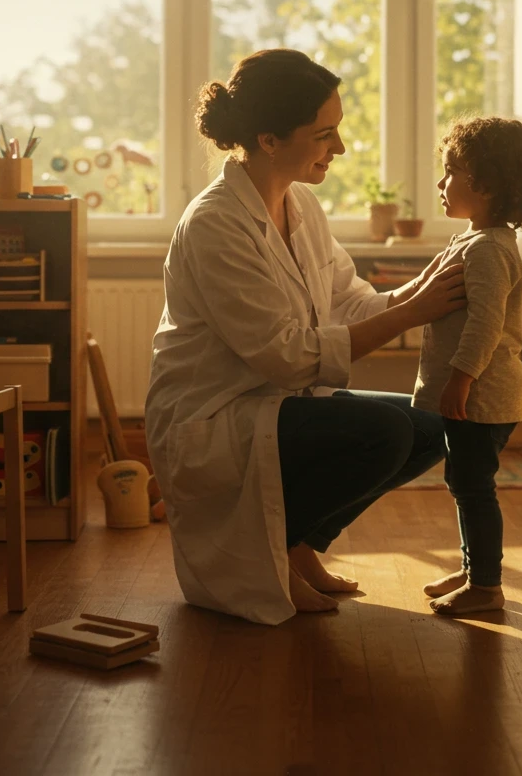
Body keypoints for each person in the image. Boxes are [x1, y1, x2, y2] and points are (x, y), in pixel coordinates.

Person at [145, 48, 466, 625]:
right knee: (387, 433)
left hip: (277, 404)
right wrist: (412, 312)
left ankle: (297, 544)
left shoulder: (302, 205)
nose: (338, 148)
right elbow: (287, 357)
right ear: (269, 139)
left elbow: (349, 300)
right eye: (324, 135)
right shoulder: (216, 222)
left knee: (432, 423)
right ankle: (276, 554)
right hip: (214, 416)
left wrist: (427, 284)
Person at [416, 116, 522, 616]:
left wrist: (460, 379)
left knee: (474, 488)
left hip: (483, 396)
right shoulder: (474, 242)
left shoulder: (490, 249)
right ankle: (475, 569)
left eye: (451, 171)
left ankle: (487, 587)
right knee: (464, 483)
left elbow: (486, 326)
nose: (440, 182)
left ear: (489, 185)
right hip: (475, 394)